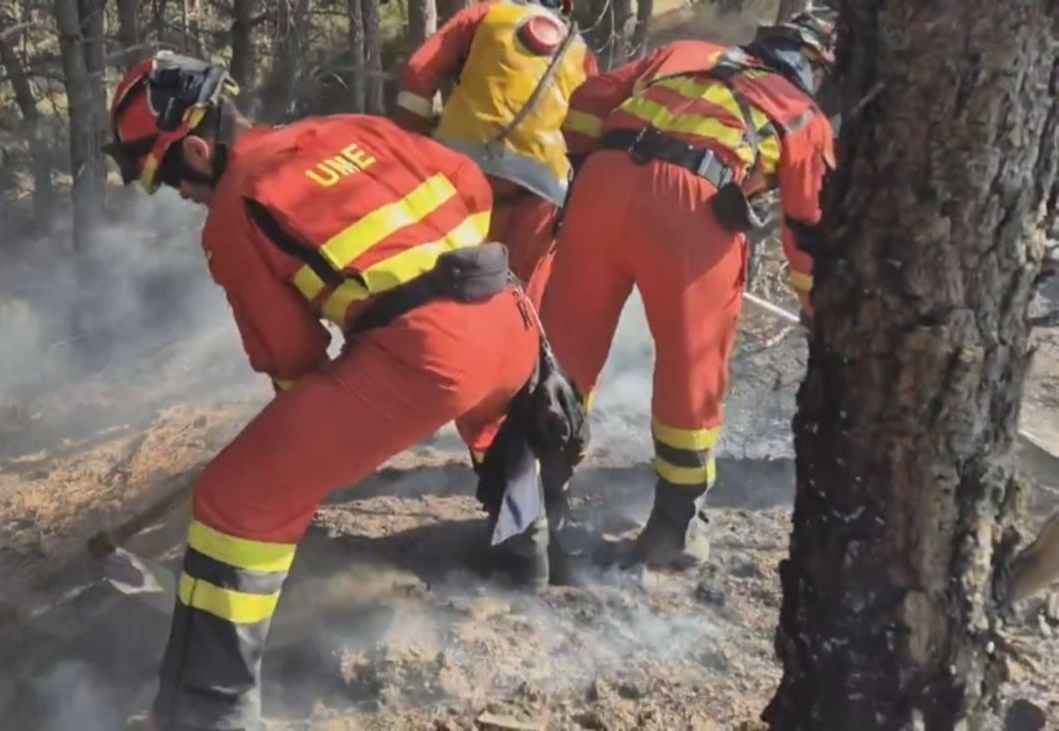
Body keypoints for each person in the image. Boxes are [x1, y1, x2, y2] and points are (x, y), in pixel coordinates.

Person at [103, 52, 583, 731]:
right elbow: (470, 185)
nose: (180, 194)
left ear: (201, 149)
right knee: (496, 420)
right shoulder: (352, 128)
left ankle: (203, 712)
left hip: (424, 355)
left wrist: (308, 424)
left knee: (235, 496)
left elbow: (291, 352)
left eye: (170, 176)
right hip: (507, 318)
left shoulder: (236, 205)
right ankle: (524, 553)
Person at [540, 12, 838, 570]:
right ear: (818, 69)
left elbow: (589, 97)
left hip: (602, 183)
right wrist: (820, 314)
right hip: (692, 209)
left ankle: (535, 506)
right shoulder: (805, 117)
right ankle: (674, 528)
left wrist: (587, 165)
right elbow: (810, 232)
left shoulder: (687, 51)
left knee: (567, 355)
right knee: (691, 373)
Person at [393, 0, 598, 308]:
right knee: (520, 302)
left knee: (435, 287)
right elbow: (587, 129)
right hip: (540, 190)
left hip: (458, 172)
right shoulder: (581, 54)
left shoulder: (488, 13)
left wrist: (415, 141)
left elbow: (418, 70)